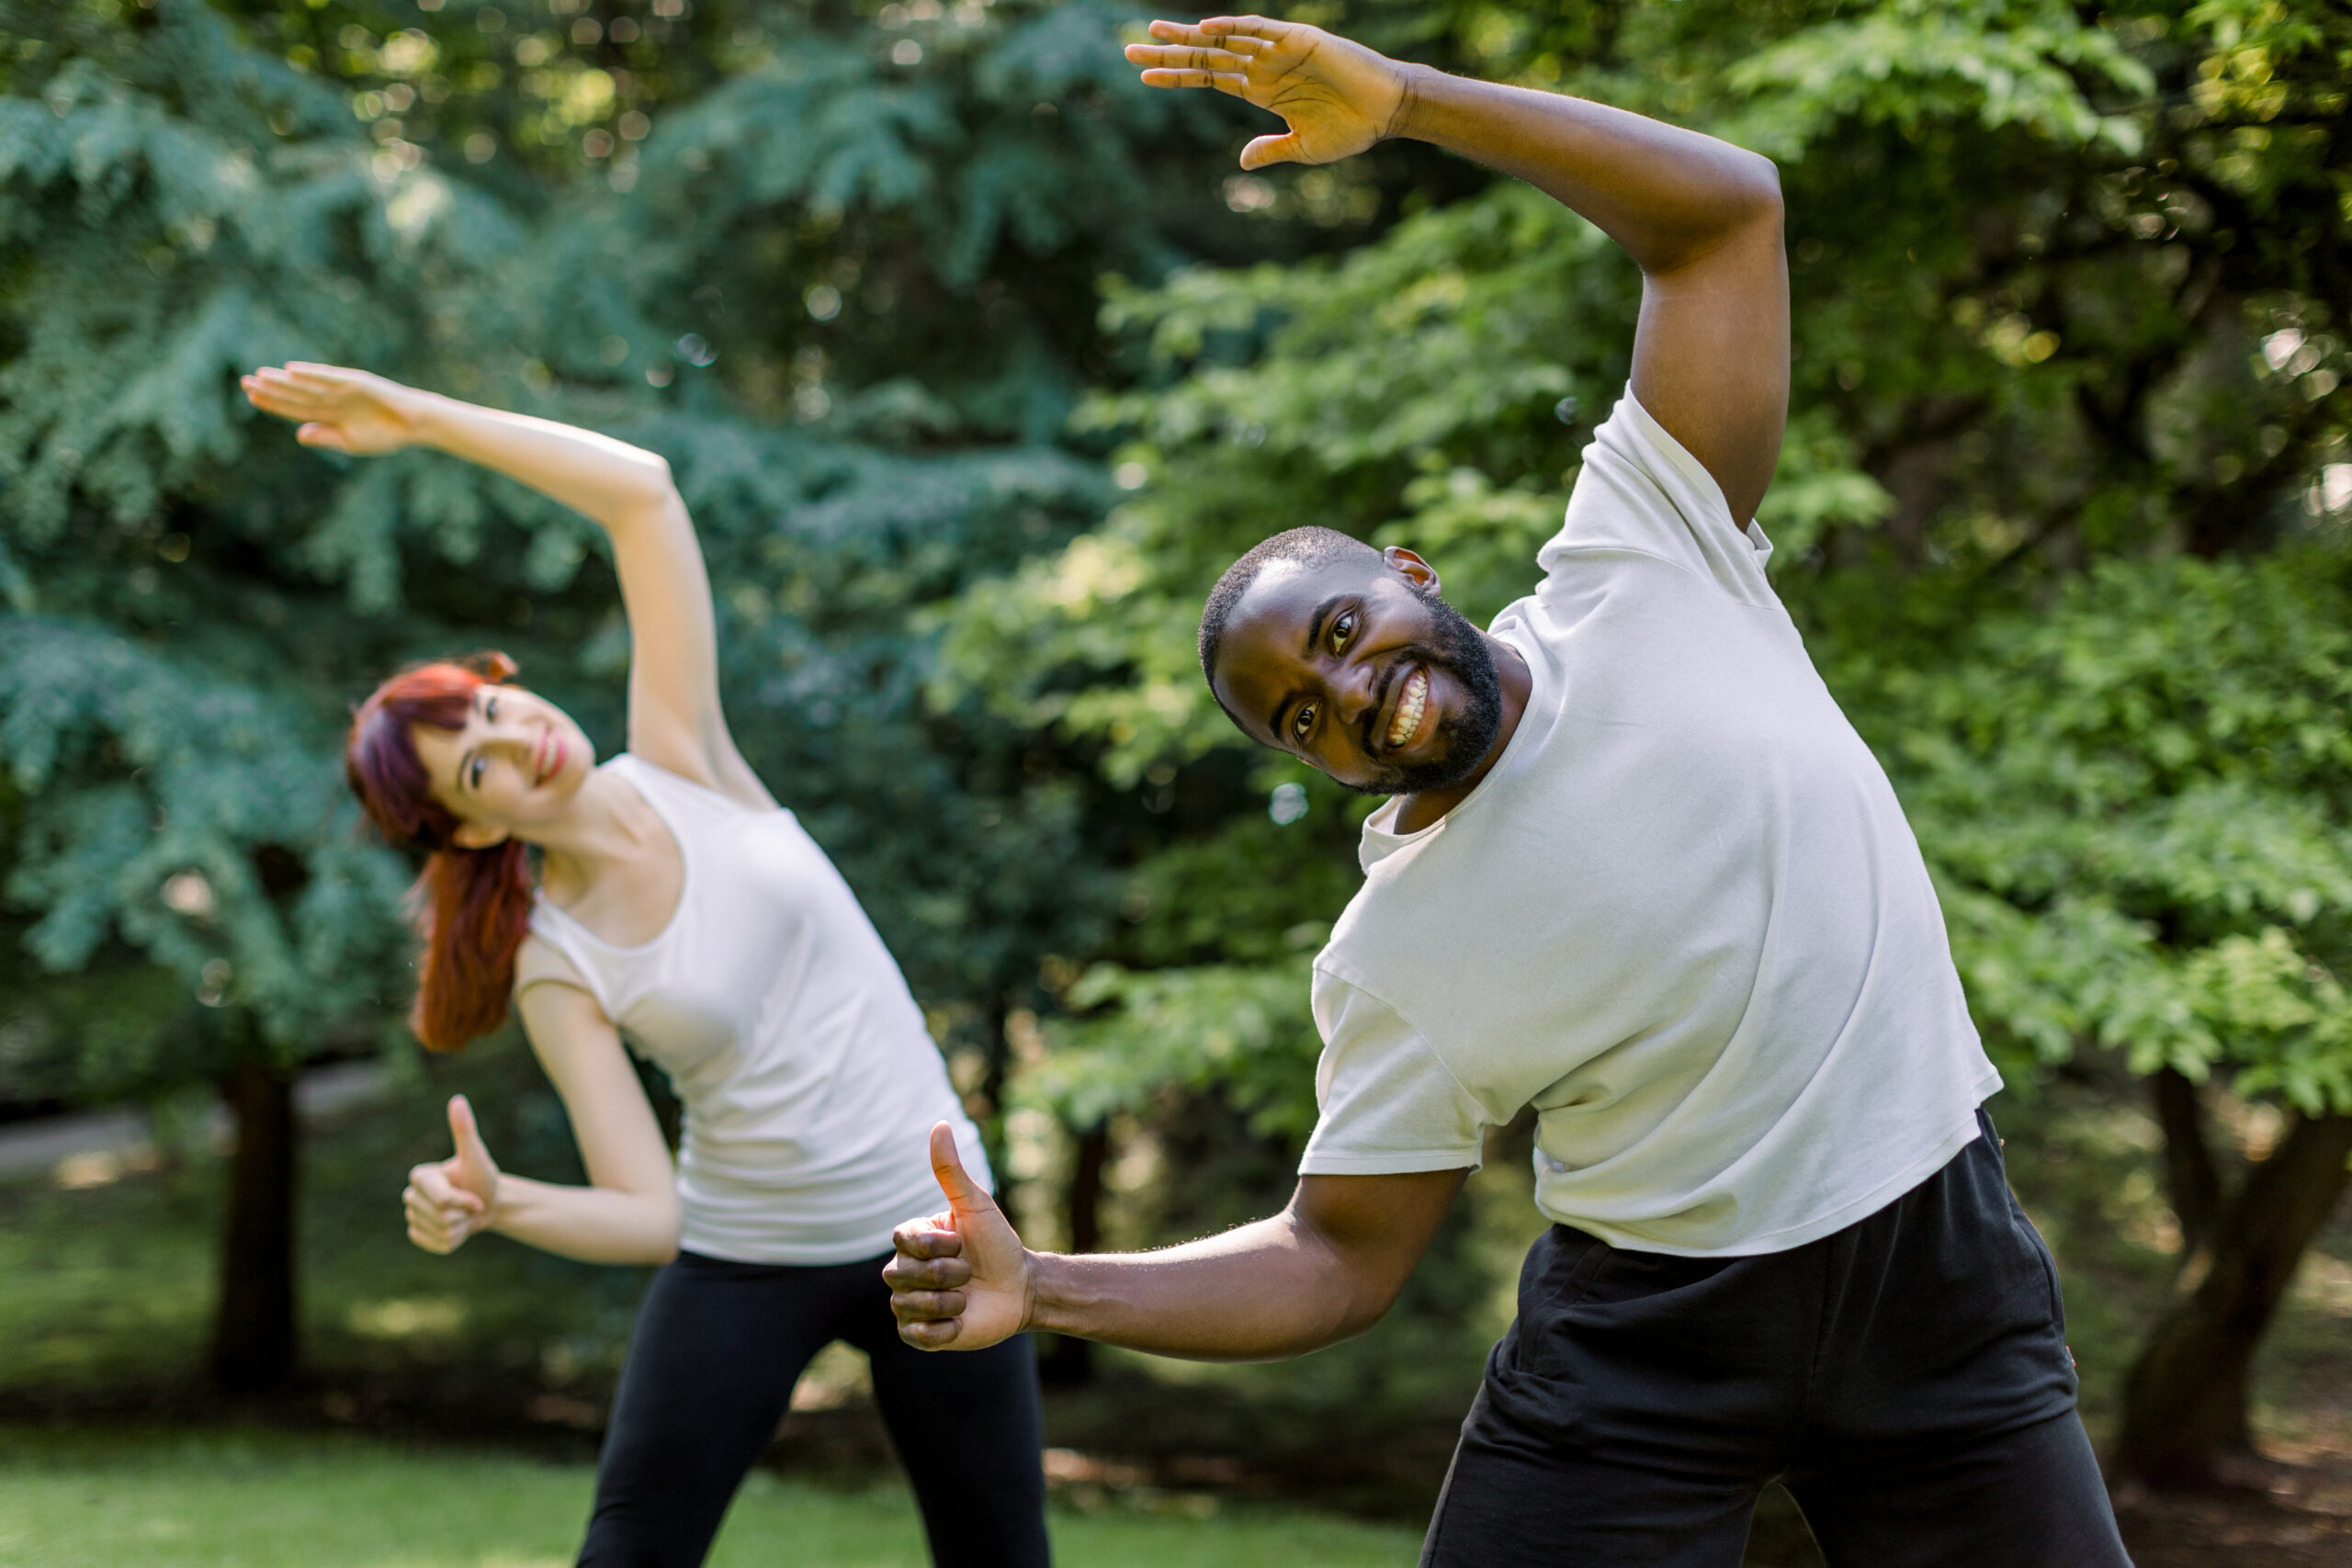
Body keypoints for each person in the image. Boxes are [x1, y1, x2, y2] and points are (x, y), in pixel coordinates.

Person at [883, 17, 2134, 1568]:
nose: (1349, 692)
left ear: (1412, 576)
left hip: (1936, 1282)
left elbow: (1725, 211)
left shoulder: (1647, 557)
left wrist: (1407, 103)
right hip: (1649, 1349)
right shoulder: (1397, 951)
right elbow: (1333, 1257)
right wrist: (1045, 1284)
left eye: (1342, 633)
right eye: (1301, 718)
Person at [242, 363, 1050, 1568]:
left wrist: (423, 422)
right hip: (744, 1253)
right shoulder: (550, 961)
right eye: (478, 770)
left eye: (489, 711)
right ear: (473, 828)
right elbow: (646, 1212)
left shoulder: (682, 757)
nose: (516, 742)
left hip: (933, 1228)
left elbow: (642, 495)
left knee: (999, 1558)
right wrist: (498, 1201)